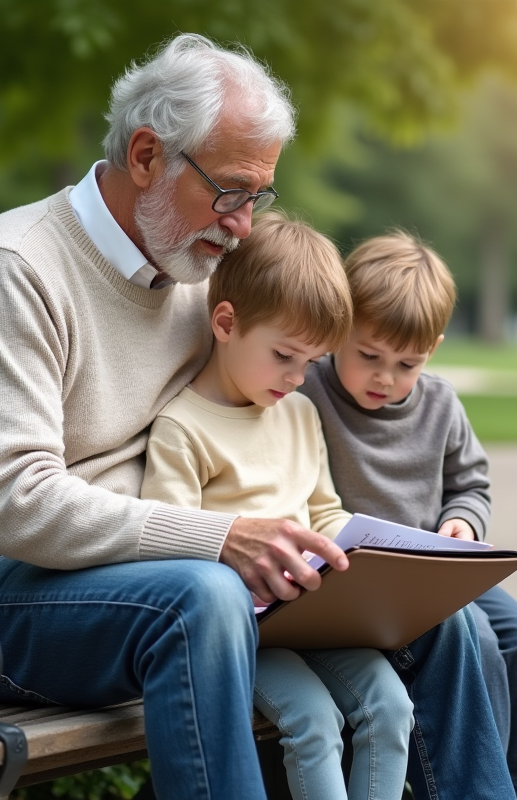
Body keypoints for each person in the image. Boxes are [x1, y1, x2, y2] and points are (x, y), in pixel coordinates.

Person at [0, 33, 509, 800]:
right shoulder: (16, 270)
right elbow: (21, 507)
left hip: (140, 583)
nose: (244, 224)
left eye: (259, 198)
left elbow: (284, 377)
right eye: (232, 191)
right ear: (147, 155)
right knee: (207, 595)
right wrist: (222, 539)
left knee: (440, 619)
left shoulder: (197, 274)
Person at [140, 212, 414, 800]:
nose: (296, 378)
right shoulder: (183, 429)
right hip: (243, 630)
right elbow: (170, 553)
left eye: (310, 363)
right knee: (313, 722)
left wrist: (376, 551)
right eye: (284, 355)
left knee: (391, 707)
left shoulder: (299, 414)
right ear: (226, 322)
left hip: (314, 616)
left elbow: (325, 513)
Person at [299, 232, 517, 800]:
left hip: (438, 566)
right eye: (368, 355)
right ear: (340, 325)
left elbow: (470, 484)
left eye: (407, 363)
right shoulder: (308, 391)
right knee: (481, 644)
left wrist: (463, 522)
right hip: (367, 584)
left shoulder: (440, 404)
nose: (384, 378)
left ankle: (515, 787)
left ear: (433, 349)